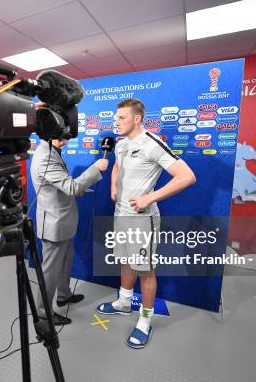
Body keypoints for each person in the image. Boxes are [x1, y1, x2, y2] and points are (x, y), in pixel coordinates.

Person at [96, 98, 195, 348]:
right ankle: (123, 302)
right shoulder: (120, 144)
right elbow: (118, 167)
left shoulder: (152, 143)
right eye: (116, 117)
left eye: (121, 118)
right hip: (121, 214)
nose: (115, 122)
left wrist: (149, 197)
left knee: (146, 271)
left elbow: (187, 176)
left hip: (142, 219)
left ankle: (145, 320)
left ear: (137, 119)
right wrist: (112, 186)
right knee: (125, 261)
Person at [30, 128, 108, 325]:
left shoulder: (52, 152)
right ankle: (42, 313)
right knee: (49, 272)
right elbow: (71, 187)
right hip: (54, 225)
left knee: (65, 262)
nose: (65, 142)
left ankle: (63, 295)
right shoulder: (45, 157)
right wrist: (96, 168)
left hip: (63, 222)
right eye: (62, 138)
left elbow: (60, 188)